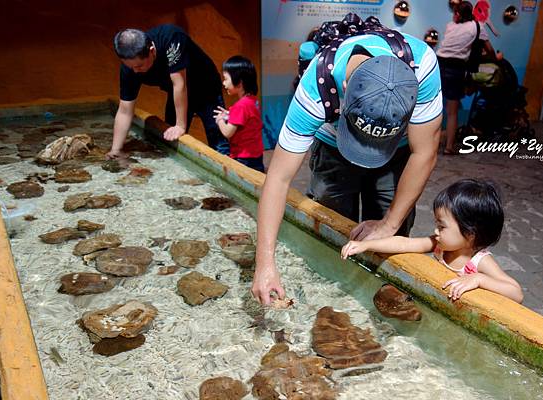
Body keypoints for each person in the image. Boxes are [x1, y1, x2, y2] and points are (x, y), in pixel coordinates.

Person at [252, 19, 443, 305]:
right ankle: (333, 299)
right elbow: (278, 178)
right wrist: (264, 264)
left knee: (391, 235)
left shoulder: (422, 65)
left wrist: (389, 225)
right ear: (344, 86)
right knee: (331, 226)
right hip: (334, 146)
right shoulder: (316, 87)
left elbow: (424, 153)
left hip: (397, 151)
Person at [341, 179, 523, 303]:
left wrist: (479, 279)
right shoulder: (438, 245)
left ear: (470, 233)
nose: (436, 231)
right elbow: (404, 243)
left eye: (442, 227)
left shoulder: (480, 261)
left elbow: (516, 293)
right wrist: (366, 244)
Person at [107, 25, 229, 159]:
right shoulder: (129, 70)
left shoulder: (171, 38)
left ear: (152, 51)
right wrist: (116, 150)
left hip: (206, 87)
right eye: (130, 67)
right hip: (176, 93)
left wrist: (180, 126)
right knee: (169, 141)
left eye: (139, 66)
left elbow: (179, 84)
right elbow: (125, 110)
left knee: (219, 142)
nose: (135, 71)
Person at [436, 1, 496, 155]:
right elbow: (489, 49)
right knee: (452, 112)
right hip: (455, 69)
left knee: (434, 109)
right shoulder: (477, 27)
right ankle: (449, 147)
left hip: (438, 65)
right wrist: (496, 57)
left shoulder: (451, 26)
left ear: (457, 14)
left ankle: (431, 143)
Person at [213, 56, 265, 172]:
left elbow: (227, 132)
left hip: (243, 157)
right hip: (256, 155)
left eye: (226, 79)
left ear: (239, 82)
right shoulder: (253, 100)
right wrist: (229, 114)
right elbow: (247, 119)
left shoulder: (240, 106)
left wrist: (220, 120)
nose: (223, 83)